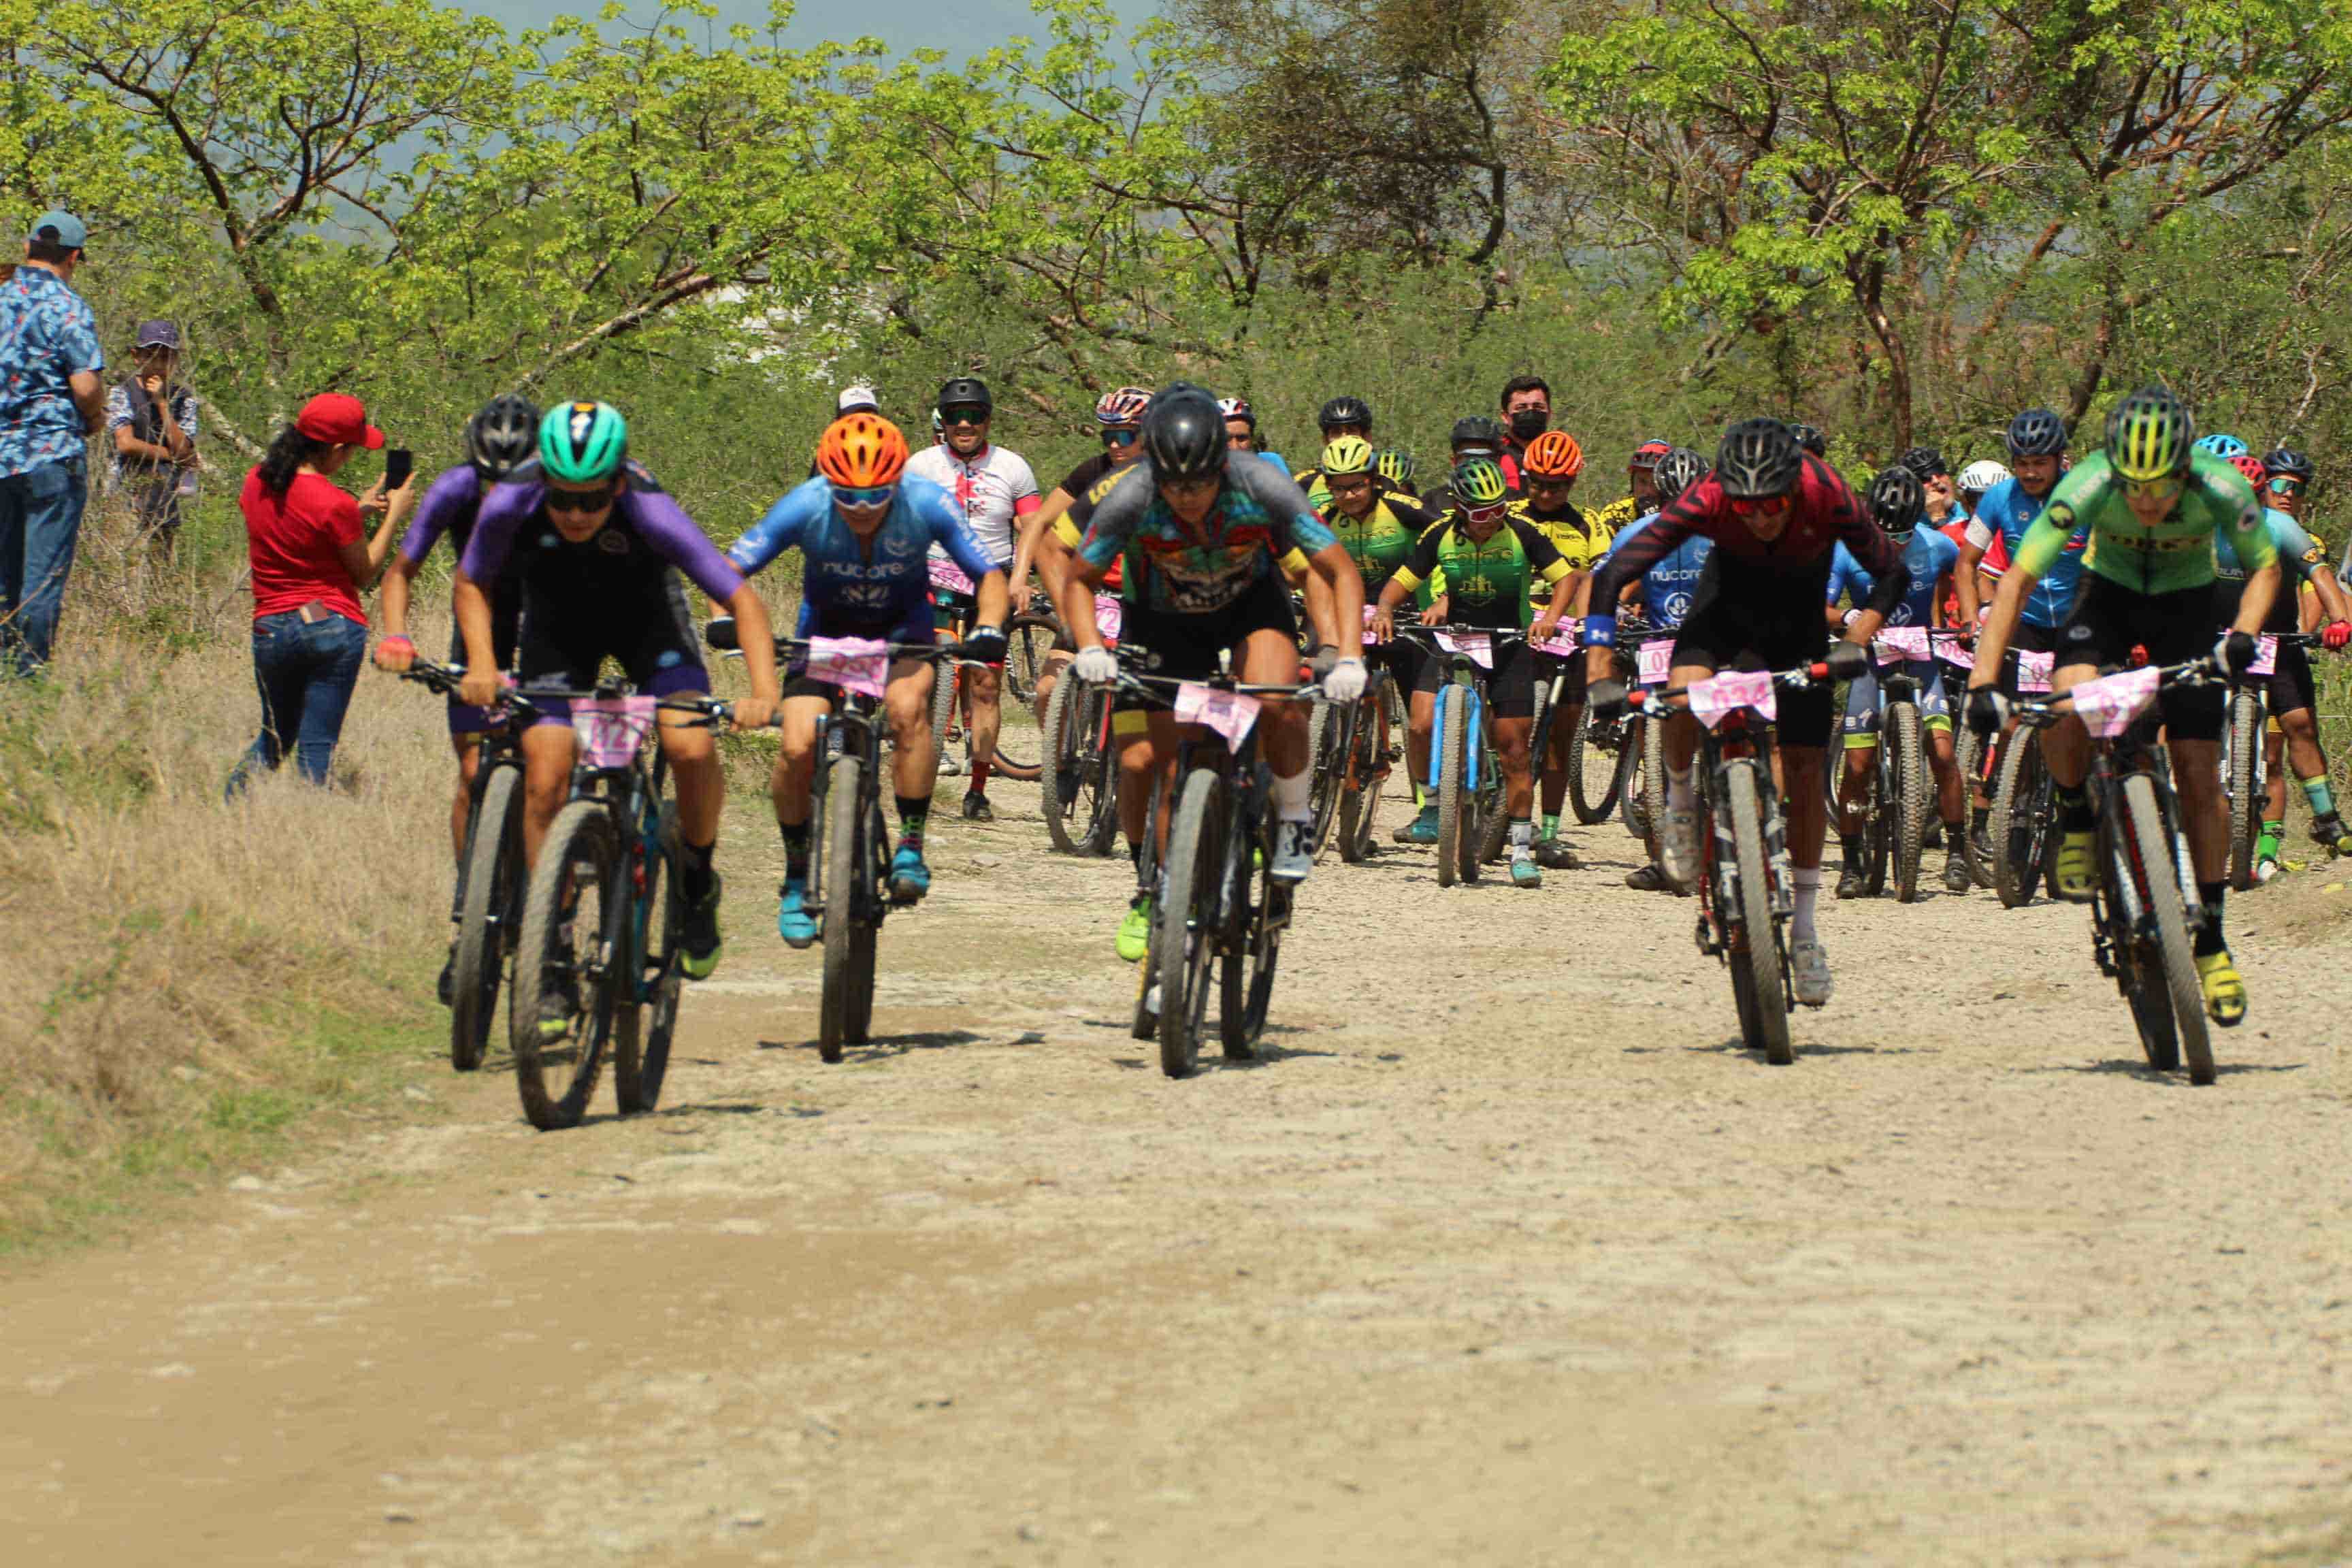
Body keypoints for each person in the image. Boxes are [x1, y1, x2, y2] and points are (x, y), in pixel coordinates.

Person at [1964, 387, 2277, 1024]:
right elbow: (2017, 580)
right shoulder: (2086, 483)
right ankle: (2077, 814)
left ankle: (2213, 939)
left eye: (2159, 487)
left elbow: (2266, 568)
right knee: (2066, 704)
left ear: (2186, 468)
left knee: (2197, 770)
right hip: (2104, 598)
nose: (2145, 501)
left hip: (2187, 610)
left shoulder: (2222, 488)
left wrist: (2242, 635)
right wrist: (1981, 681)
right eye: (2132, 487)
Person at [456, 401, 781, 989]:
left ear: (620, 482)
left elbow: (741, 599)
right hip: (558, 632)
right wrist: (481, 662)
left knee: (689, 747)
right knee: (546, 775)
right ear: (542, 480)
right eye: (562, 498)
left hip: (648, 626)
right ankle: (549, 950)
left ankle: (697, 878)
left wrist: (763, 692)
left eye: (593, 498)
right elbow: (472, 583)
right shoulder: (512, 499)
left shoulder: (649, 508)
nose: (576, 513)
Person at [1584, 418, 1906, 1005]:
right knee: (1682, 692)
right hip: (1722, 615)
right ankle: (1681, 803)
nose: (1759, 516)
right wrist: (1599, 674)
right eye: (1746, 505)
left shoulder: (1827, 491)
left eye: (1773, 505)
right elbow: (1612, 576)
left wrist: (1857, 641)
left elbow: (1892, 572)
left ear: (1796, 485)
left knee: (1806, 773)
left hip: (1798, 628)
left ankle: (1806, 931)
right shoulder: (1709, 497)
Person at [1062, 385, 1366, 926]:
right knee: (1161, 764)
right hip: (1163, 622)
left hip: (1249, 607)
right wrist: (1088, 647)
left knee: (1275, 703)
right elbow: (1079, 578)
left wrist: (1348, 656)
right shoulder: (1132, 494)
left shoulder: (1262, 484)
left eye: (1200, 482)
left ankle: (1294, 817)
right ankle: (1162, 892)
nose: (1186, 496)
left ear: (1222, 466)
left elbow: (1339, 570)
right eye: (1173, 484)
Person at [728, 412, 1007, 945]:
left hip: (902, 634)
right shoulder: (806, 504)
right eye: (847, 497)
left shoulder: (926, 502)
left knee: (907, 712)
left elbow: (988, 575)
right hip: (824, 638)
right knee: (796, 744)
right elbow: (730, 569)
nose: (861, 509)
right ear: (826, 482)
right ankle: (793, 876)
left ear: (897, 481)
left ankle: (911, 842)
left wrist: (990, 624)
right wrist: (726, 611)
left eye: (876, 497)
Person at [373, 394, 540, 998]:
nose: (501, 494)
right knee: (474, 772)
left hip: (546, 628)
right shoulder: (452, 489)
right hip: (478, 630)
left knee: (551, 775)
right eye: (490, 479)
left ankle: (552, 923)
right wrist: (396, 635)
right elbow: (400, 572)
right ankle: (468, 924)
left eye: (513, 478)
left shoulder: (555, 491)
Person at [1373, 456, 1577, 886]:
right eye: (1482, 513)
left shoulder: (1522, 533)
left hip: (1508, 643)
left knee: (1514, 752)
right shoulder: (1440, 533)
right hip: (1455, 640)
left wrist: (1550, 619)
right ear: (1461, 508)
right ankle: (1435, 803)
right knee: (1420, 723)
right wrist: (1386, 608)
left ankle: (1522, 849)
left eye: (1500, 508)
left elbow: (1566, 579)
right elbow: (1403, 579)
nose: (1492, 520)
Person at [227, 393, 412, 795]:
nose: (349, 460)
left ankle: (229, 808)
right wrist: (393, 518)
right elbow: (364, 573)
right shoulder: (333, 502)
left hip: (271, 627)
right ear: (336, 449)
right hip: (330, 625)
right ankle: (308, 828)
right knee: (316, 751)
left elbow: (293, 530)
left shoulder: (256, 480)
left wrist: (357, 512)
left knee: (274, 739)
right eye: (351, 452)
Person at [1825, 466, 1970, 896]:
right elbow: (1822, 607)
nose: (1897, 544)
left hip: (1920, 655)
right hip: (1871, 657)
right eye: (1889, 535)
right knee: (1857, 766)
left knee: (1943, 754)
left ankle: (1957, 852)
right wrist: (1849, 617)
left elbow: (1963, 572)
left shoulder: (1937, 544)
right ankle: (1852, 863)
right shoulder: (1846, 550)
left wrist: (1964, 619)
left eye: (1905, 536)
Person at [904, 375, 1039, 823]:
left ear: (988, 420)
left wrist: (1023, 576)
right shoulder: (920, 464)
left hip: (990, 584)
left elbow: (1032, 526)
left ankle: (977, 789)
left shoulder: (1013, 466)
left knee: (985, 686)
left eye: (975, 417)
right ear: (942, 421)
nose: (965, 425)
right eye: (955, 417)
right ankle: (916, 778)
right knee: (921, 679)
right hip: (932, 576)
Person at [2210, 451, 2352, 873]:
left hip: (2276, 638)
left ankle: (2327, 818)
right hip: (2217, 636)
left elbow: (2322, 577)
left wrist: (2340, 620)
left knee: (2300, 725)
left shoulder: (2282, 528)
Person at [1315, 435, 1444, 836]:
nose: (1348, 495)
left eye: (1356, 485)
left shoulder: (1404, 509)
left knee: (1421, 724)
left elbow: (1456, 539)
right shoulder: (1324, 517)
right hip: (1354, 619)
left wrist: (1443, 598)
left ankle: (1433, 807)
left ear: (1373, 479)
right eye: (1338, 486)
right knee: (1314, 688)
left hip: (1408, 617)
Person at [1596, 444, 1712, 892]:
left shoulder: (1726, 535)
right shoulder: (1636, 534)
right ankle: (1661, 856)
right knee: (1654, 752)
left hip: (1709, 649)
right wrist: (1609, 617)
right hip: (1658, 647)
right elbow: (1611, 584)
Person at [1010, 385, 1152, 734]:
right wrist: (1018, 576)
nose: (1115, 445)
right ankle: (1061, 771)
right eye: (1108, 436)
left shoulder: (1167, 477)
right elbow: (1040, 522)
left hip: (1144, 600)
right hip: (1094, 595)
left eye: (1125, 436)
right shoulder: (1094, 471)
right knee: (1047, 690)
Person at [0, 210, 105, 678]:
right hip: (51, 456)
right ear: (75, 257)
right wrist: (97, 416)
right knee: (40, 582)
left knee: (3, 578)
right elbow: (85, 388)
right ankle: (28, 685)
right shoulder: (70, 308)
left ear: (27, 248)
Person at [1515, 429, 1614, 865]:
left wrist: (1592, 623)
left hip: (1566, 635)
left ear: (1572, 483)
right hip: (1518, 628)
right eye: (1537, 482)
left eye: (1557, 485)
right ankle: (1500, 814)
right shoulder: (1510, 514)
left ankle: (1551, 832)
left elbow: (1597, 578)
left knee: (1561, 737)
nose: (1546, 492)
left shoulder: (1589, 523)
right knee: (1508, 733)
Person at [105, 319, 199, 557]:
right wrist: (170, 455)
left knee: (160, 564)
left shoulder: (183, 399)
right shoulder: (122, 392)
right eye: (152, 355)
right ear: (136, 356)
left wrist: (162, 404)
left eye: (166, 357)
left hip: (165, 500)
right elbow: (125, 443)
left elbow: (185, 451)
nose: (158, 364)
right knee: (124, 561)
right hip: (125, 493)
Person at [1586, 438, 1672, 536]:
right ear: (1632, 482)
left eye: (1656, 483)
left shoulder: (1678, 513)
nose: (1648, 490)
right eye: (1642, 482)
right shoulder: (1615, 514)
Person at [1497, 374, 1552, 487]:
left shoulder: (1559, 455)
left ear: (1549, 414)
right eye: (1521, 408)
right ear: (1505, 416)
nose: (1530, 413)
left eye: (1538, 407)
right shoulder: (1494, 455)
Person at [1218, 397, 1287, 472]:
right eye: (1227, 439)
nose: (1235, 447)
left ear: (1252, 438)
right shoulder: (1205, 473)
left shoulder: (1271, 462)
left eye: (1242, 438)